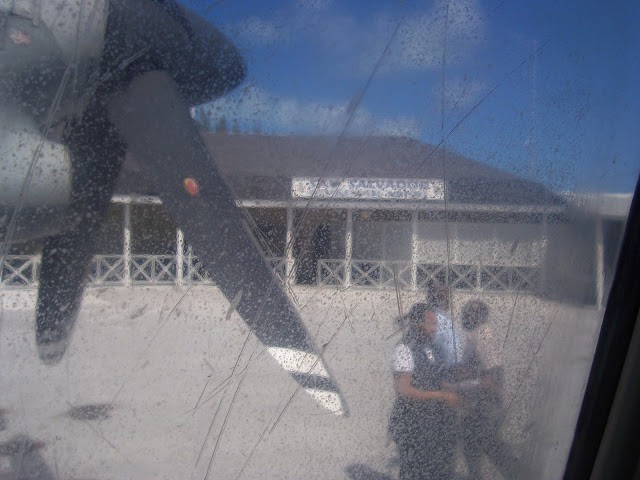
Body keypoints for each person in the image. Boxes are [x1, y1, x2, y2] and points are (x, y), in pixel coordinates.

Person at [389, 303, 461, 480]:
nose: (435, 329)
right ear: (416, 323)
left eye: (436, 324)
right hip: (412, 425)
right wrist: (442, 396)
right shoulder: (404, 350)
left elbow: (437, 380)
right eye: (431, 324)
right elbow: (404, 391)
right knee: (415, 472)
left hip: (433, 425)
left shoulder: (431, 348)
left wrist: (457, 389)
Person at [455, 300, 523, 480]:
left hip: (485, 405)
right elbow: (473, 369)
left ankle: (518, 474)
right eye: (465, 311)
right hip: (476, 405)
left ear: (481, 316)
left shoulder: (484, 335)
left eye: (470, 312)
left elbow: (493, 373)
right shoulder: (474, 336)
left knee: (491, 444)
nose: (465, 315)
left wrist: (482, 397)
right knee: (471, 445)